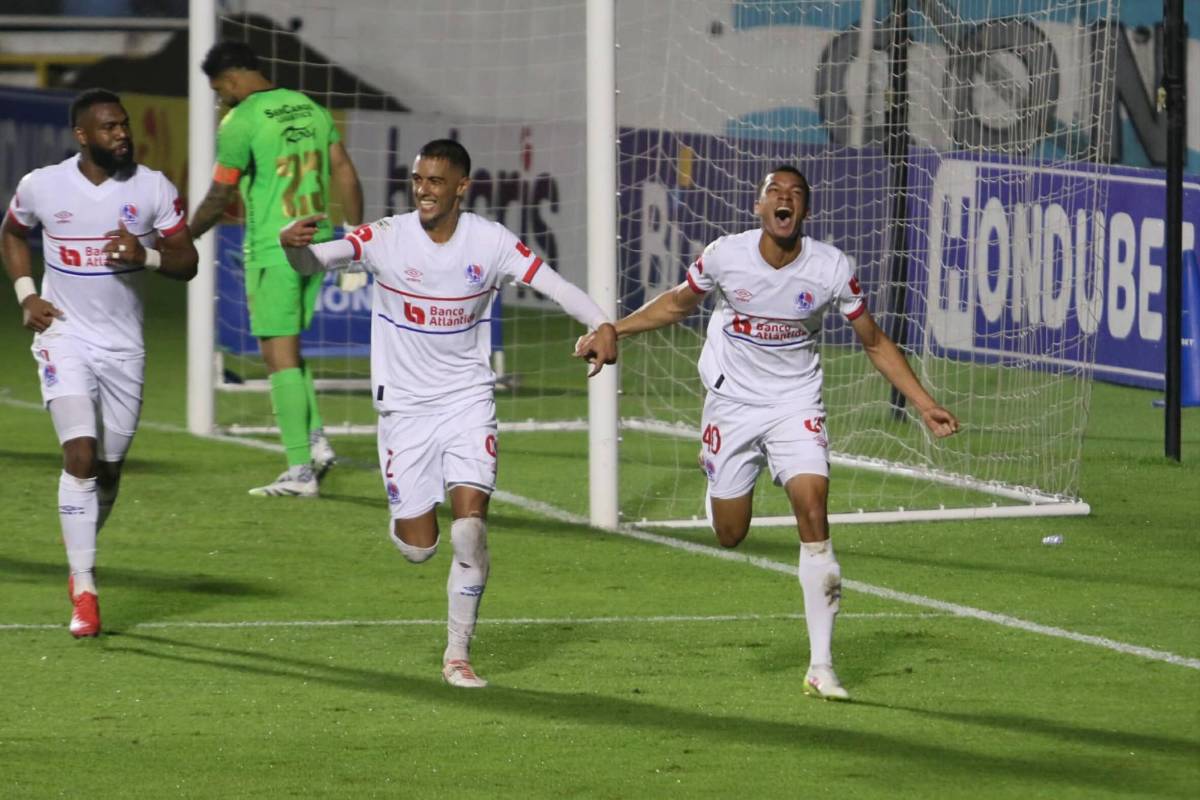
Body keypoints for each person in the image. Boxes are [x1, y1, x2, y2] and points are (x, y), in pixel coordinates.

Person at [578, 165, 959, 700]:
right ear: (759, 207)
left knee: (814, 507)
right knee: (730, 533)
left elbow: (873, 341)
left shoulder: (830, 267)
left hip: (794, 403)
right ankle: (718, 481)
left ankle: (821, 665)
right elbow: (676, 304)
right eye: (774, 193)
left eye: (795, 194)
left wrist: (923, 404)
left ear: (805, 210)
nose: (784, 200)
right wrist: (614, 328)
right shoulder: (725, 256)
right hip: (731, 403)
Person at [279, 139, 617, 687]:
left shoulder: (490, 242)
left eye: (436, 181)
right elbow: (314, 259)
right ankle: (410, 518)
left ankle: (457, 654)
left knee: (469, 531)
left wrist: (603, 325)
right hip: (405, 411)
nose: (424, 190)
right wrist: (289, 245)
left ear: (461, 186)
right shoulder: (387, 237)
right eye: (418, 180)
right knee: (420, 549)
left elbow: (552, 284)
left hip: (467, 402)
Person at [2, 88, 198, 638]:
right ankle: (84, 586)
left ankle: (81, 544)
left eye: (125, 125)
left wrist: (148, 255)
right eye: (110, 127)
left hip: (124, 348)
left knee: (108, 467)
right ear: (83, 135)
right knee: (80, 454)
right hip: (62, 334)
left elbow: (188, 261)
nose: (122, 135)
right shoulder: (42, 185)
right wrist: (25, 294)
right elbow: (13, 233)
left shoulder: (153, 187)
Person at [189, 40, 365, 498]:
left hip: (275, 248)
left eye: (218, 89)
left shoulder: (240, 121)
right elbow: (344, 169)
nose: (219, 98)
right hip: (321, 242)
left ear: (229, 81)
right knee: (290, 350)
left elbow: (219, 195)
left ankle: (299, 471)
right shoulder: (307, 106)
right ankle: (315, 442)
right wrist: (356, 235)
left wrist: (183, 236)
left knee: (276, 356)